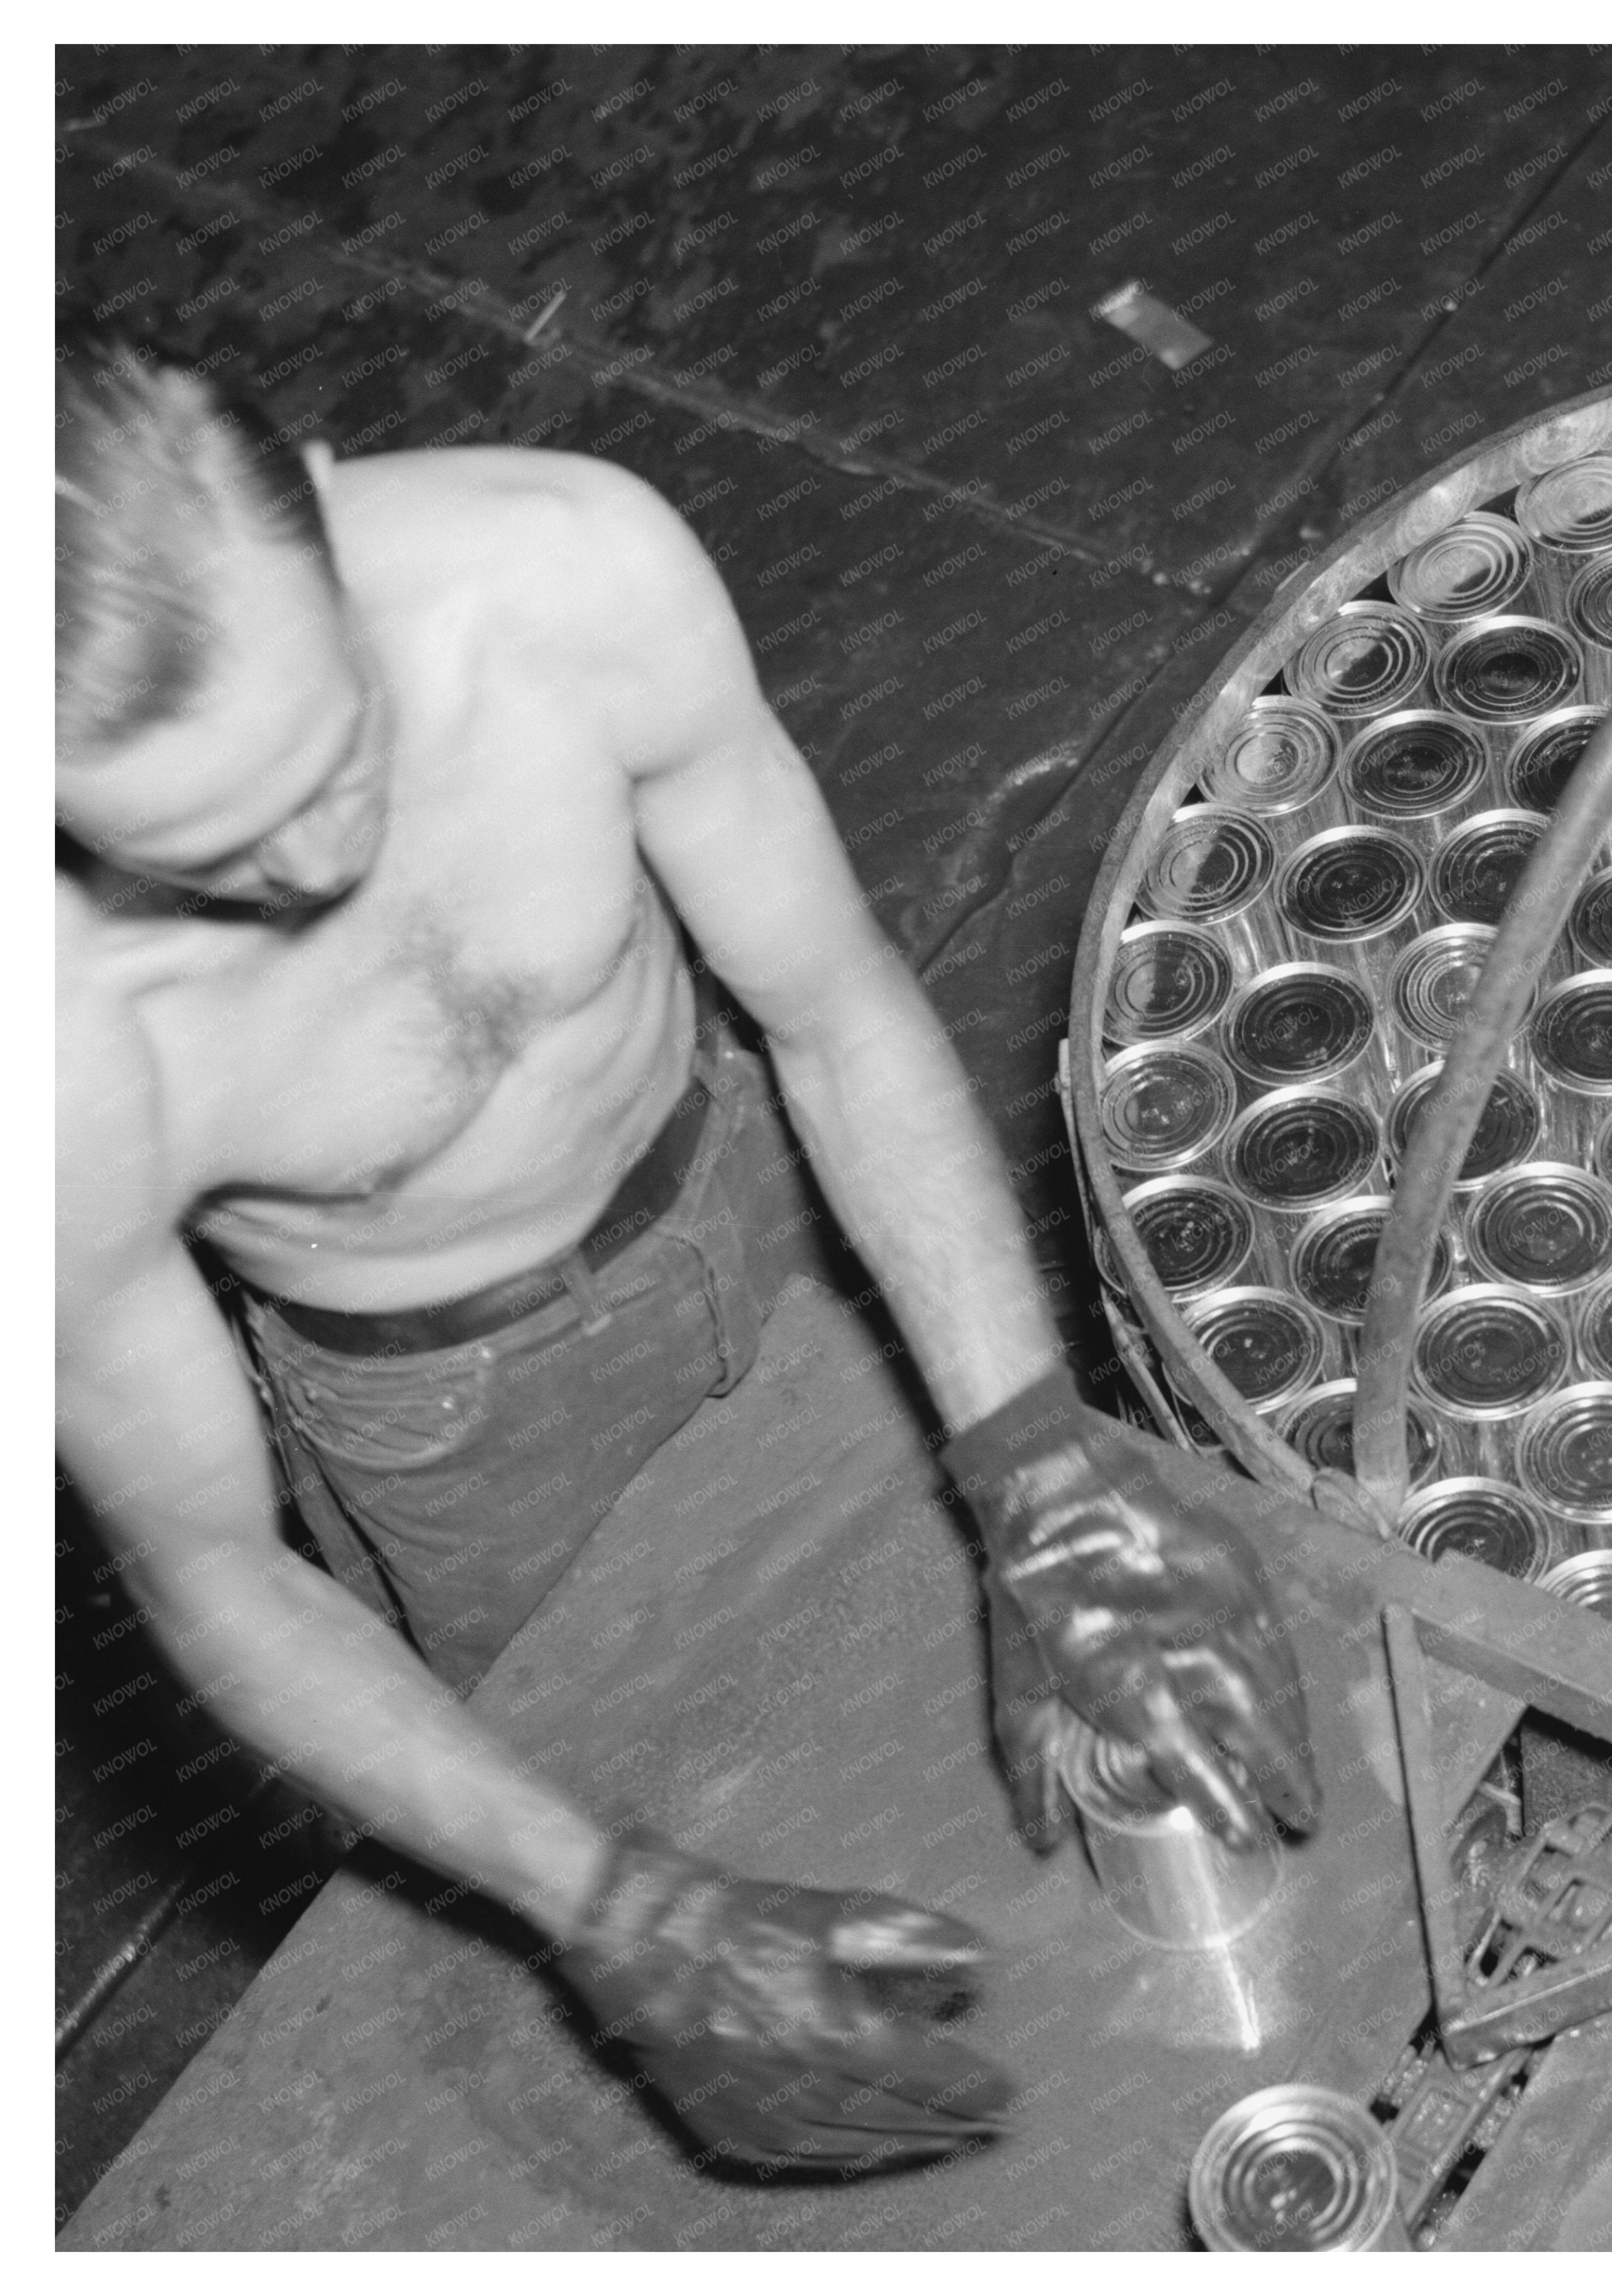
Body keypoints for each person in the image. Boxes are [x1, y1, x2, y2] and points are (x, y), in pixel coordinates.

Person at [53, 347, 1322, 2171]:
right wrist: (612, 1910)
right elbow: (219, 1583)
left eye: (335, 751)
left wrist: (1034, 1464)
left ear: (323, 502)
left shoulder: (573, 573)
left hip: (760, 1174)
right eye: (212, 858)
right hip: (456, 1412)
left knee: (946, 1634)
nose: (323, 856)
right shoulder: (66, 1060)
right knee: (674, 1779)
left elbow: (833, 1011)